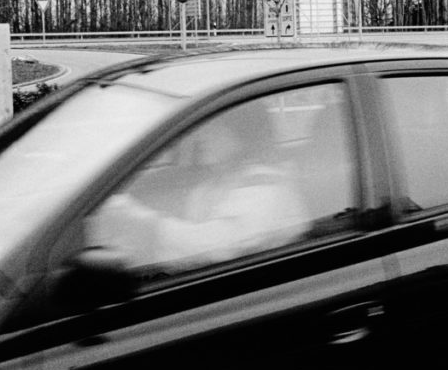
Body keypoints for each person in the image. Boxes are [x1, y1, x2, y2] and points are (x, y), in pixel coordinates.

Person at [86, 110, 309, 272]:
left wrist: (142, 221)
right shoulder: (214, 182)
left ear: (241, 135)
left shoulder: (266, 186)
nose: (202, 137)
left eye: (215, 128)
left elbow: (216, 247)